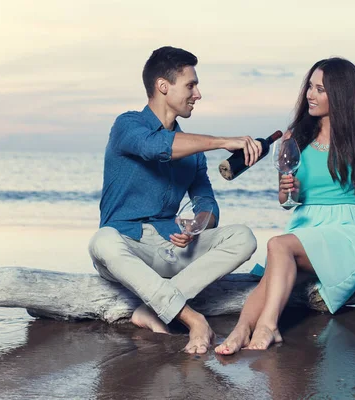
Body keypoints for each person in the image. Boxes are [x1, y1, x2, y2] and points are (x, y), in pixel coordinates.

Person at [215, 57, 355, 354]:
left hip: (345, 230)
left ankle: (267, 327)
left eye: (320, 89)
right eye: (310, 87)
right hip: (305, 227)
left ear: (341, 95)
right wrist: (287, 191)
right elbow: (287, 203)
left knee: (278, 246)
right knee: (269, 276)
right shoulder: (293, 138)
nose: (310, 95)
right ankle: (240, 330)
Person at [88, 46, 261, 354]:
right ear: (163, 86)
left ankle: (153, 310)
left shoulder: (192, 155)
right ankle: (192, 319)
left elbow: (207, 204)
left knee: (243, 237)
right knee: (102, 241)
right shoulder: (127, 125)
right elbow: (156, 147)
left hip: (171, 251)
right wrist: (223, 142)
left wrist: (198, 225)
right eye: (191, 85)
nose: (198, 94)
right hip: (128, 250)